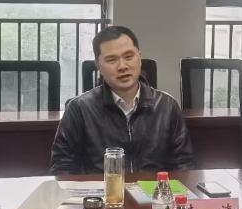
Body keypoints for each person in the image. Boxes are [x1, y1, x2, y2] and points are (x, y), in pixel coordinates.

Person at [50, 25, 195, 174]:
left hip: (154, 188)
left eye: (129, 57)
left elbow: (184, 165)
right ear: (98, 65)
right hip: (102, 188)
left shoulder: (167, 106)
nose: (122, 66)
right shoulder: (79, 109)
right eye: (112, 60)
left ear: (139, 57)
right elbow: (62, 168)